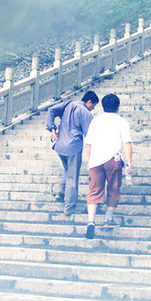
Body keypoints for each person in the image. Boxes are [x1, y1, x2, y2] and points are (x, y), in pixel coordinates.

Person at [83, 93, 133, 239]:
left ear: (103, 106)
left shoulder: (95, 121)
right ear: (118, 107)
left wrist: (89, 161)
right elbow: (127, 143)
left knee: (94, 190)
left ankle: (91, 221)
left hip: (95, 161)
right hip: (113, 159)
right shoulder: (121, 121)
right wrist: (129, 162)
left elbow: (88, 144)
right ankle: (108, 219)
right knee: (113, 188)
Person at [46, 90, 99, 215]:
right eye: (94, 105)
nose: (93, 108)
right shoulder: (85, 113)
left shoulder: (69, 104)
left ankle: (61, 192)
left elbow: (51, 110)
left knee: (67, 169)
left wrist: (52, 128)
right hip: (73, 147)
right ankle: (69, 207)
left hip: (60, 145)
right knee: (72, 177)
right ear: (89, 102)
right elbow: (90, 134)